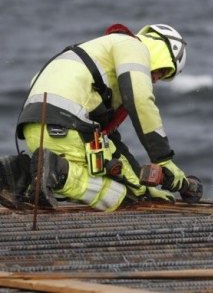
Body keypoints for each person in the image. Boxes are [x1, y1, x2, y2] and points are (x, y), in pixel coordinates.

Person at [0, 23, 195, 211]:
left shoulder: (102, 51)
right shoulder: (134, 47)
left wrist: (144, 188)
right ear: (161, 51)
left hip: (36, 128)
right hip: (67, 126)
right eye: (160, 72)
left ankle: (18, 173)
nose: (155, 79)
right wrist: (163, 159)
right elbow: (140, 99)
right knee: (120, 197)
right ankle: (58, 171)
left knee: (59, 182)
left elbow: (110, 139)